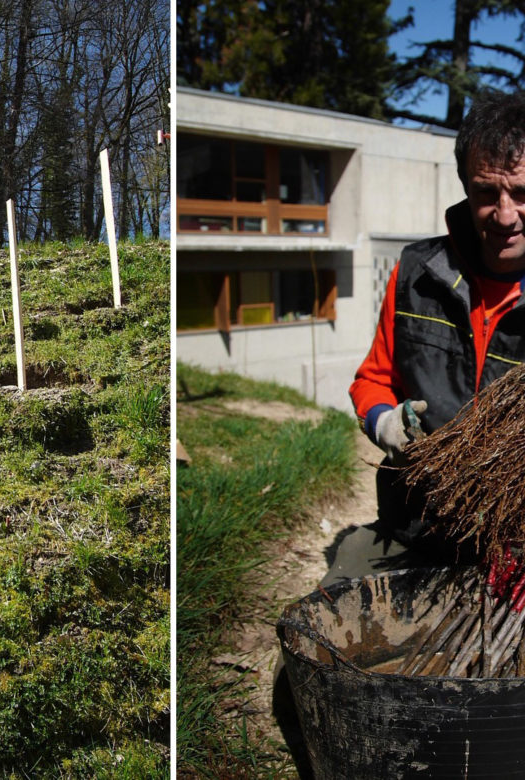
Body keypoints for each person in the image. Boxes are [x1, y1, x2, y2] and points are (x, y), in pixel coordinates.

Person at [273, 91, 525, 771]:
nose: (505, 216)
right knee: (335, 634)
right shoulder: (418, 273)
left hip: (514, 549)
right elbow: (371, 379)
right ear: (465, 186)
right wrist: (386, 420)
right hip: (418, 526)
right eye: (487, 193)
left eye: (523, 194)